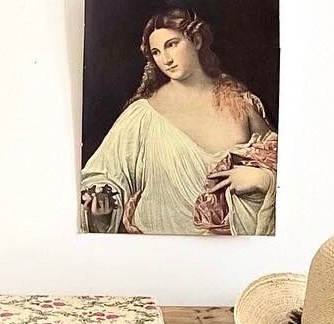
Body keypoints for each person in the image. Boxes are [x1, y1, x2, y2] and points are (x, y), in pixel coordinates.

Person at [81, 8, 277, 236]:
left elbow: (282, 167)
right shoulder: (142, 115)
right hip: (159, 248)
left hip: (233, 249)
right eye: (156, 52)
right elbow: (103, 176)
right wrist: (101, 207)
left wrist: (264, 179)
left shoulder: (241, 104)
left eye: (172, 44)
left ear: (196, 40)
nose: (166, 59)